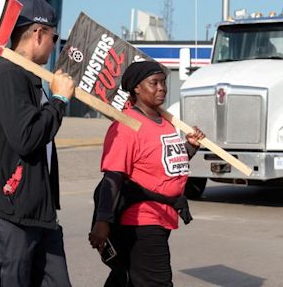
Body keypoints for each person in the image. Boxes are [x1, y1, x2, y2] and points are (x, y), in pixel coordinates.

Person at [0, 0, 75, 287]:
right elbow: (27, 137)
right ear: (38, 33)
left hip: (36, 211)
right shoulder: (7, 75)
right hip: (8, 214)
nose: (54, 45)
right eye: (54, 38)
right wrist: (59, 101)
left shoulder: (30, 78)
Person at [88, 60, 205, 287]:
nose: (161, 88)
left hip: (163, 216)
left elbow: (168, 165)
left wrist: (190, 147)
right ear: (136, 89)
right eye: (154, 83)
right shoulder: (126, 126)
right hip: (141, 220)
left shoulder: (166, 123)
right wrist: (103, 221)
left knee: (126, 279)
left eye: (163, 82)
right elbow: (113, 177)